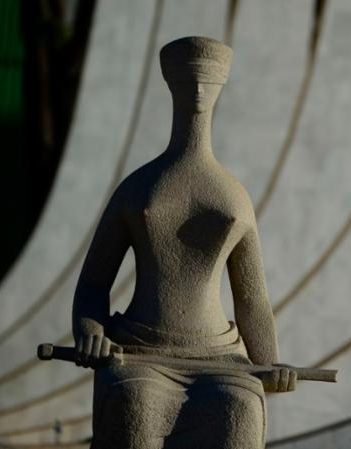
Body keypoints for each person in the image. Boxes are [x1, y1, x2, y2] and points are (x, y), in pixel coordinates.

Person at [71, 36, 294, 449]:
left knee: (240, 410)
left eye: (208, 82)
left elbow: (252, 299)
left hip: (220, 357)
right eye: (189, 80)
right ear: (171, 83)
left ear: (221, 87)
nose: (198, 91)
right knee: (136, 405)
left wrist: (269, 363)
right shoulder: (137, 188)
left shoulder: (234, 196)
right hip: (140, 349)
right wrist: (90, 331)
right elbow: (93, 285)